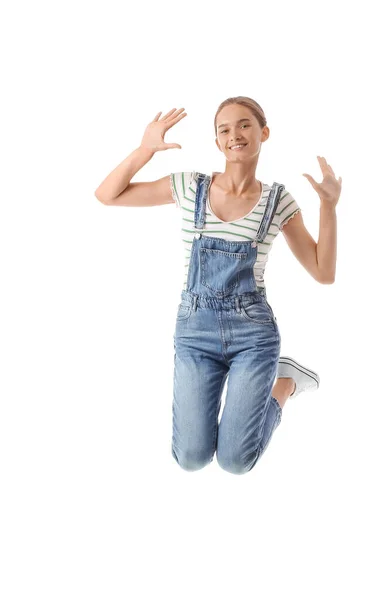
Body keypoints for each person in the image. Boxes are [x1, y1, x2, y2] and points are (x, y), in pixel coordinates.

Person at [95, 96, 342, 475]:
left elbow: (323, 272)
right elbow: (107, 195)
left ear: (264, 132)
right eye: (224, 129)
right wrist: (145, 149)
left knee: (235, 462)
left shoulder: (278, 201)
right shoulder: (189, 186)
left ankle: (286, 384)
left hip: (253, 335)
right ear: (216, 142)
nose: (234, 135)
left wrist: (328, 207)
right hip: (196, 332)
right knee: (191, 458)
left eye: (244, 125)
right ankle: (283, 381)